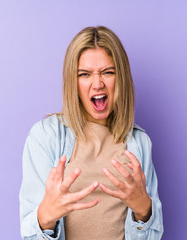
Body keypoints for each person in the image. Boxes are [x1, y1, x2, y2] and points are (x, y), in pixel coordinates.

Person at [19, 26, 164, 240]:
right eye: (85, 74)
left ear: (120, 78)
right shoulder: (46, 136)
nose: (98, 84)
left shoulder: (139, 143)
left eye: (108, 72)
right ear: (73, 82)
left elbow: (152, 236)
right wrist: (46, 217)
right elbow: (29, 236)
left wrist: (143, 210)